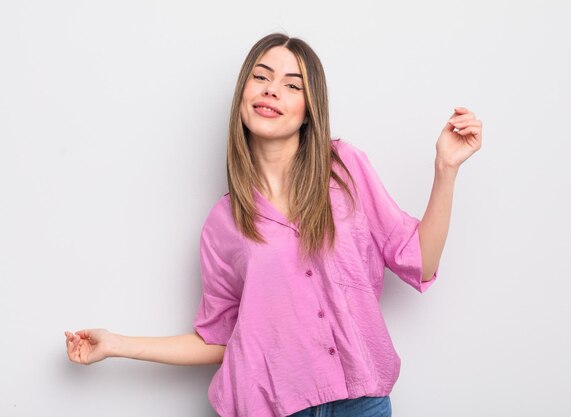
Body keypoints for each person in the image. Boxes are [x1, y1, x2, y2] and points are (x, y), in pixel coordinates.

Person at [65, 32, 482, 417]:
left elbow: (421, 263)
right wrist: (117, 344)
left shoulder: (346, 169)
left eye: (291, 84)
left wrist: (446, 169)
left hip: (363, 405)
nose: (271, 90)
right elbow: (219, 339)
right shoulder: (223, 223)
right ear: (243, 95)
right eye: (260, 77)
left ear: (308, 110)